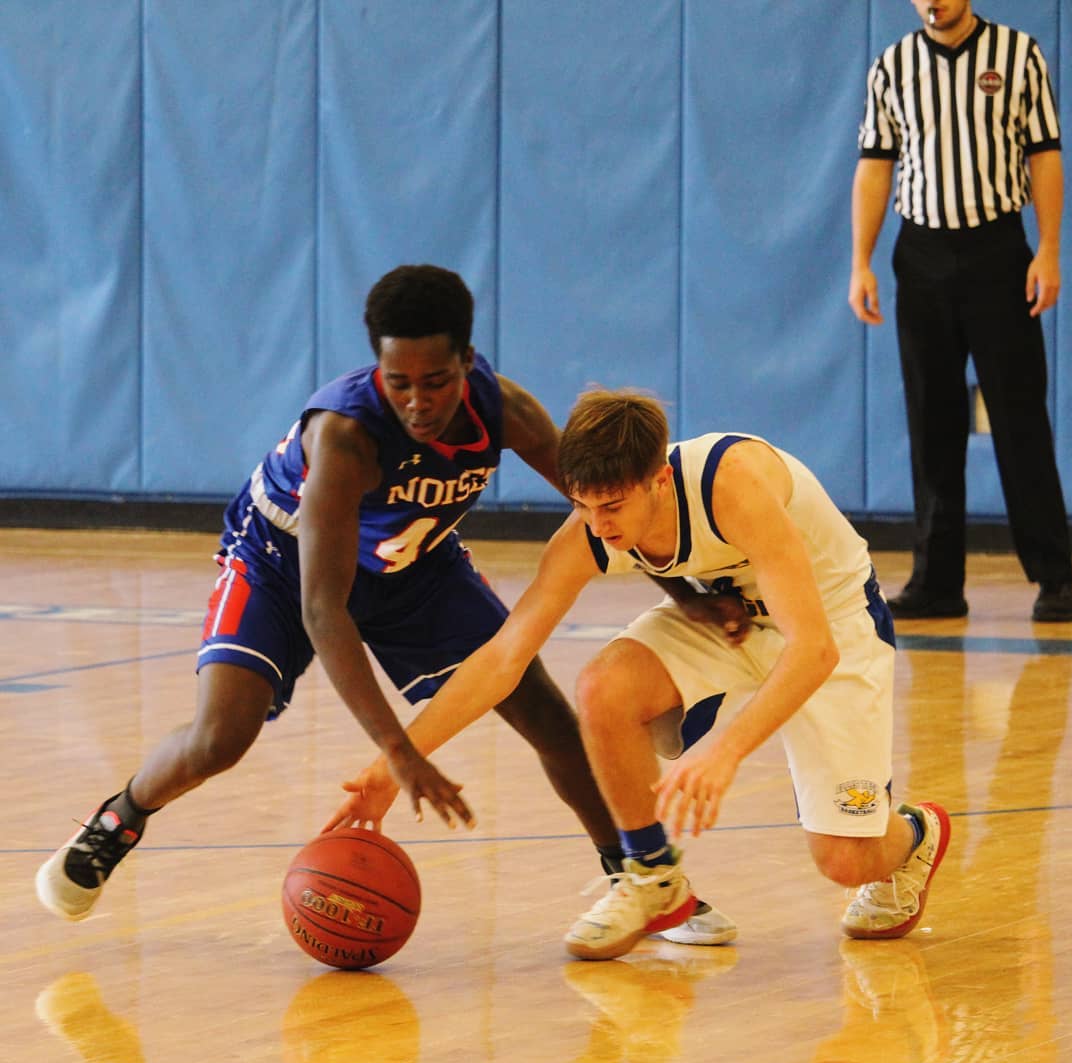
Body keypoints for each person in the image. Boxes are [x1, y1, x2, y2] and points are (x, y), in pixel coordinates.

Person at [35, 265, 734, 947]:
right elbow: (323, 609)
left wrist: (684, 589)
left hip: (416, 567)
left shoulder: (506, 411)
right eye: (399, 383)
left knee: (548, 714)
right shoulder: (345, 438)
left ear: (467, 361)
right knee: (222, 735)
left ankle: (643, 880)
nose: (418, 402)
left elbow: (596, 504)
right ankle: (118, 820)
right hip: (282, 562)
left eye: (436, 382)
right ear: (377, 369)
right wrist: (398, 751)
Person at [326, 388, 951, 961]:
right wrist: (395, 760)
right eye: (582, 504)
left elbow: (813, 650)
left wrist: (726, 753)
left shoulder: (731, 485)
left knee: (846, 861)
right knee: (603, 687)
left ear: (657, 479)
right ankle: (651, 878)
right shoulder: (591, 527)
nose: (599, 524)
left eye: (612, 505)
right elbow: (502, 657)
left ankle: (914, 834)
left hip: (832, 623)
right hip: (727, 620)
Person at [848, 0, 1072, 623]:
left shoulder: (1018, 55)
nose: (932, 2)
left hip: (998, 250)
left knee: (1019, 417)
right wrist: (860, 261)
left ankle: (1054, 577)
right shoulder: (892, 66)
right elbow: (875, 165)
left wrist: (1049, 249)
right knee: (932, 421)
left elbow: (1045, 154)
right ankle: (937, 581)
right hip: (919, 255)